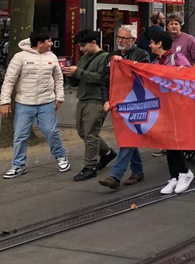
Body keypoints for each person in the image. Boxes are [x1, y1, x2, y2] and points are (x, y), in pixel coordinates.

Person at [0, 30, 69, 178]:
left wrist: (60, 97)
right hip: (24, 103)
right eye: (49, 41)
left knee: (50, 131)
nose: (51, 44)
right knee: (20, 135)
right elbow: (9, 80)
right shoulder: (20, 57)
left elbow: (58, 78)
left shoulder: (52, 57)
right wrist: (4, 102)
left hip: (47, 102)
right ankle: (18, 166)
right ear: (40, 43)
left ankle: (61, 157)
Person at [98, 25, 151, 190]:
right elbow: (105, 80)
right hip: (118, 103)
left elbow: (143, 77)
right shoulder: (111, 55)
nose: (120, 41)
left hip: (135, 102)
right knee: (128, 136)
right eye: (118, 37)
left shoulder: (143, 55)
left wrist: (126, 64)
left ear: (133, 40)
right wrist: (107, 99)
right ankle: (138, 171)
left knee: (128, 136)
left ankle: (115, 176)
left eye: (124, 38)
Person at [62, 30, 115, 182]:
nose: (81, 49)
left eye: (83, 45)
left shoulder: (105, 58)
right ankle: (107, 152)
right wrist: (71, 76)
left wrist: (78, 72)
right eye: (79, 46)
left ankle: (90, 166)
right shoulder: (84, 58)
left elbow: (101, 78)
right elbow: (79, 78)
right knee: (82, 132)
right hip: (83, 98)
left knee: (91, 133)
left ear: (94, 43)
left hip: (97, 100)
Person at [148, 30, 195, 195]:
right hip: (164, 107)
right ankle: (174, 176)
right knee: (168, 141)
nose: (150, 45)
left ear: (159, 44)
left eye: (152, 42)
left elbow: (190, 76)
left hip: (178, 106)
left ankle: (184, 172)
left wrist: (184, 72)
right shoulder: (155, 62)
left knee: (175, 141)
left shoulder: (177, 58)